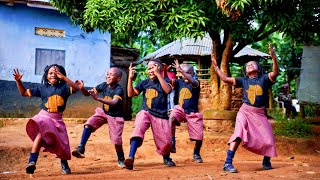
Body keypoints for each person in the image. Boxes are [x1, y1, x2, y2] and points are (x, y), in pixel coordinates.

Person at [211, 43, 279, 173]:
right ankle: (228, 163)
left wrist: (274, 58)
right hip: (245, 111)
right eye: (247, 65)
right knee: (238, 134)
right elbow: (225, 79)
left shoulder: (264, 79)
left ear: (258, 69)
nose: (250, 65)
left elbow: (275, 73)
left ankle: (266, 161)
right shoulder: (243, 80)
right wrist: (216, 67)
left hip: (259, 114)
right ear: (245, 71)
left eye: (253, 64)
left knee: (269, 137)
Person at [13, 64, 79, 175]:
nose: (53, 75)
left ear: (61, 74)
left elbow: (76, 88)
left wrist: (64, 78)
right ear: (46, 75)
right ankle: (32, 162)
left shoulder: (65, 88)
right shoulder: (42, 88)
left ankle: (64, 164)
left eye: (57, 72)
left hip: (57, 119)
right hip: (44, 117)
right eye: (50, 73)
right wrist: (18, 81)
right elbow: (24, 93)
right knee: (40, 136)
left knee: (62, 143)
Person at [124, 59, 175, 170]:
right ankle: (130, 157)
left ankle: (166, 157)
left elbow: (167, 90)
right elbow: (130, 94)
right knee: (138, 128)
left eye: (153, 67)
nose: (150, 70)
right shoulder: (145, 83)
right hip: (146, 112)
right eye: (149, 68)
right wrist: (130, 78)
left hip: (161, 116)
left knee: (166, 142)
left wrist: (158, 74)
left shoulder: (166, 80)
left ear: (160, 68)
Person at [71, 67, 126, 168]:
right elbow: (88, 94)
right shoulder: (104, 85)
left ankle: (121, 159)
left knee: (116, 140)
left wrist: (99, 99)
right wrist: (82, 88)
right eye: (107, 74)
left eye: (111, 74)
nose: (108, 76)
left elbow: (114, 102)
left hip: (115, 116)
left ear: (118, 79)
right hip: (104, 112)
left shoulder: (119, 89)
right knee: (89, 124)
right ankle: (81, 148)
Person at [169, 60, 204, 163]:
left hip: (192, 113)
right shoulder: (179, 82)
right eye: (183, 73)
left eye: (188, 73)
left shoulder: (196, 83)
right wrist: (161, 71)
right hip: (180, 109)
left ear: (193, 74)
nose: (185, 75)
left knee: (199, 137)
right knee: (172, 117)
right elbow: (167, 81)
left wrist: (180, 70)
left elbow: (193, 81)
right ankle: (172, 142)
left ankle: (196, 153)